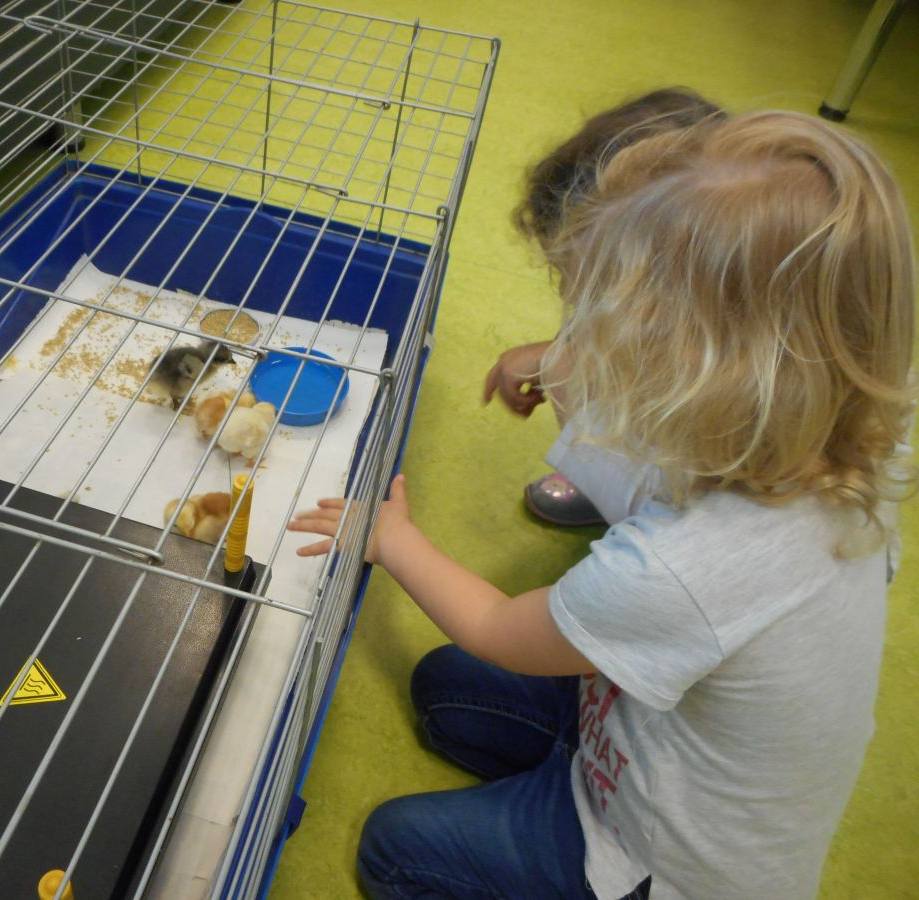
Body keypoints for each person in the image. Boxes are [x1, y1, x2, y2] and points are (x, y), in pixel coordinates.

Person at [288, 109, 914, 899]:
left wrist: (391, 538)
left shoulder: (680, 570)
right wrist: (556, 358)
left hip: (655, 858)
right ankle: (568, 763)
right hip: (643, 730)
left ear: (698, 381)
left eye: (604, 339)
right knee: (446, 691)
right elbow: (637, 466)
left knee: (396, 851)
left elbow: (499, 628)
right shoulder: (841, 429)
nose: (580, 349)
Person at [485, 88, 725, 527]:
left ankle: (630, 501)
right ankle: (614, 484)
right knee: (574, 354)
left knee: (571, 366)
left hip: (701, 513)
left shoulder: (721, 366)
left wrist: (558, 361)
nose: (567, 294)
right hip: (679, 431)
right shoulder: (694, 296)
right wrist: (552, 351)